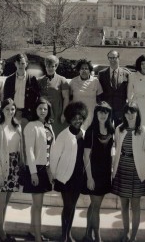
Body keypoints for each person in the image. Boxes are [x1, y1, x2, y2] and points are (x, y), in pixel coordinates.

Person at [111, 102, 145, 242]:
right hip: (122, 169)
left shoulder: (143, 130)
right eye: (127, 112)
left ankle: (133, 237)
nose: (130, 115)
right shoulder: (119, 129)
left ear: (137, 113)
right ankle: (126, 233)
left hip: (137, 171)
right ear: (124, 114)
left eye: (132, 112)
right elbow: (116, 149)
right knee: (124, 206)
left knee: (135, 206)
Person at [50, 101, 88, 242]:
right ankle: (63, 236)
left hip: (78, 176)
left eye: (80, 118)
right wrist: (54, 174)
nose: (78, 121)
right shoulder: (63, 135)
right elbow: (54, 156)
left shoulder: (84, 134)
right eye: (74, 118)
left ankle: (69, 235)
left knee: (72, 207)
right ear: (69, 119)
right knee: (68, 206)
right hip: (64, 176)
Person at [0, 98, 24, 242]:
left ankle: (1, 229)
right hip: (2, 166)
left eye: (12, 109)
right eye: (7, 109)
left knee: (6, 201)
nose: (10, 112)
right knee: (0, 201)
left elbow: (20, 149)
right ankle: (2, 233)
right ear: (2, 110)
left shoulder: (18, 126)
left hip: (14, 166)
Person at [23, 97, 55, 242]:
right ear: (35, 110)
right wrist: (33, 172)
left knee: (36, 205)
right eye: (40, 108)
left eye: (45, 109)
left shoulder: (48, 126)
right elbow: (29, 151)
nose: (43, 111)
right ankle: (37, 237)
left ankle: (31, 231)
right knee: (38, 205)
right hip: (36, 169)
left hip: (45, 168)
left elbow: (51, 149)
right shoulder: (31, 126)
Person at [82, 102, 115, 242]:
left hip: (105, 173)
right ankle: (98, 237)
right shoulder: (91, 131)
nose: (103, 114)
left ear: (109, 114)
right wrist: (89, 177)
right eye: (100, 112)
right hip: (93, 173)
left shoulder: (111, 131)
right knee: (96, 206)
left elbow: (112, 152)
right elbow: (86, 156)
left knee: (94, 205)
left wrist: (112, 170)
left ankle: (87, 235)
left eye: (105, 112)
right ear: (96, 113)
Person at [3, 53, 41, 130]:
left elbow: (37, 96)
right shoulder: (9, 80)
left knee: (25, 138)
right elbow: (6, 98)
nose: (20, 65)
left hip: (27, 114)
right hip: (12, 113)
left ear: (26, 64)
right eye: (18, 63)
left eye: (23, 63)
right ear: (15, 64)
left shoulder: (32, 79)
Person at [38, 55, 69, 135]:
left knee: (57, 136)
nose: (50, 68)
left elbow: (66, 98)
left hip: (57, 113)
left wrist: (64, 114)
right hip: (44, 112)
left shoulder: (62, 80)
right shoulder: (39, 80)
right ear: (45, 66)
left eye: (52, 66)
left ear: (56, 66)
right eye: (48, 66)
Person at [98, 50, 130, 127]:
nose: (112, 60)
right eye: (110, 58)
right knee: (105, 130)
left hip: (120, 108)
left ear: (118, 58)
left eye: (114, 58)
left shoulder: (127, 74)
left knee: (120, 131)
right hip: (106, 109)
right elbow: (99, 91)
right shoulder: (101, 74)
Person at [69, 59, 103, 130]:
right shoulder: (73, 81)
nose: (84, 70)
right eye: (82, 68)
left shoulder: (95, 81)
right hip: (77, 115)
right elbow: (70, 99)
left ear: (90, 70)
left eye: (86, 68)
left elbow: (100, 99)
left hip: (91, 115)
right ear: (79, 70)